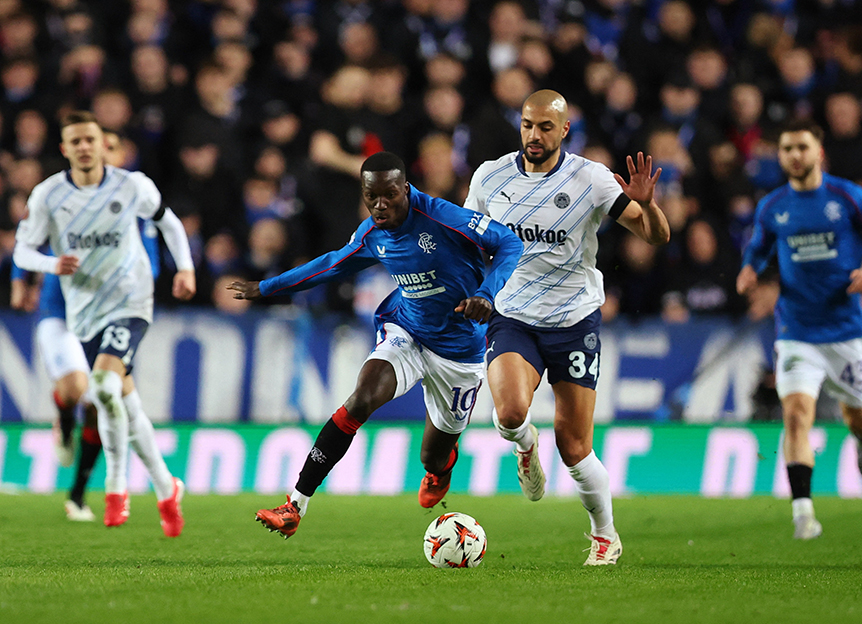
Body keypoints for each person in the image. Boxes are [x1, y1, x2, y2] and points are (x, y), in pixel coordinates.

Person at [229, 151, 523, 539]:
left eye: (389, 195)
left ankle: (441, 469)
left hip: (459, 350)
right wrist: (267, 287)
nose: (380, 205)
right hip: (407, 331)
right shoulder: (372, 234)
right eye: (372, 198)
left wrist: (487, 293)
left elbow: (509, 243)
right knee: (361, 398)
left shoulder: (444, 217)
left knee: (432, 457)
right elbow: (329, 265)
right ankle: (295, 505)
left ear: (406, 188)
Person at [464, 90, 670, 565]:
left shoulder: (591, 180)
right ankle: (524, 445)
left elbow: (656, 236)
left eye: (545, 128)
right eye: (528, 126)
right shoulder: (490, 178)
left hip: (575, 320)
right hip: (512, 313)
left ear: (564, 131)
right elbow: (468, 240)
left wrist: (649, 206)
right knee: (512, 412)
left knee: (575, 446)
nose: (534, 136)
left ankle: (605, 534)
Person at [13, 111, 197, 536]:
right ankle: (167, 486)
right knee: (124, 403)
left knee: (99, 388)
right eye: (75, 141)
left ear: (104, 145)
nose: (84, 147)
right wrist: (45, 266)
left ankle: (115, 488)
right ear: (64, 149)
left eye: (90, 139)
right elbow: (24, 249)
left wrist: (183, 268)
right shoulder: (49, 195)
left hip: (130, 303)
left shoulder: (131, 187)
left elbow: (167, 222)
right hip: (79, 312)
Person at [736, 118, 862, 540]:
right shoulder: (773, 206)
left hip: (845, 331)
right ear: (781, 156)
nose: (795, 155)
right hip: (795, 330)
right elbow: (758, 248)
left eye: (802, 147)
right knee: (795, 416)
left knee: (859, 418)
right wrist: (748, 272)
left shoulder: (847, 196)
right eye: (787, 148)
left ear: (818, 152)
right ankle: (803, 512)